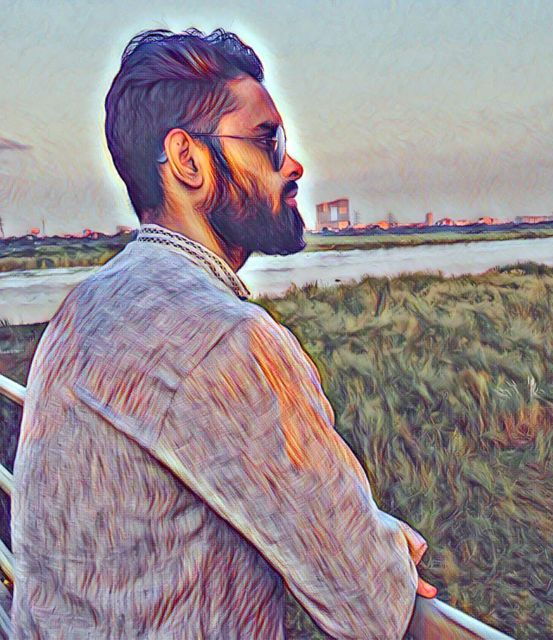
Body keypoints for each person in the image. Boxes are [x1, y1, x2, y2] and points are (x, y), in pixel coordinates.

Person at [10, 28, 438, 639]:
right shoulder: (226, 341)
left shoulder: (81, 309)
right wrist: (384, 544)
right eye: (268, 141)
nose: (293, 164)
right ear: (188, 161)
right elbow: (371, 603)